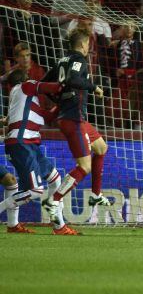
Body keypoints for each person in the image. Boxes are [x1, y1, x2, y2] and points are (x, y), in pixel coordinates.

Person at [42, 30, 112, 225]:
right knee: (84, 166)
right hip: (73, 118)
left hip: (76, 117)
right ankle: (53, 199)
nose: (89, 47)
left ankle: (96, 194)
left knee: (101, 148)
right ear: (83, 44)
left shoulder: (61, 61)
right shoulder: (79, 59)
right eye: (88, 44)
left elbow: (44, 84)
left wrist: (59, 98)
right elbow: (73, 79)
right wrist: (93, 86)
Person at [0, 69, 79, 235]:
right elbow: (53, 87)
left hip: (29, 144)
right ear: (26, 79)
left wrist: (63, 104)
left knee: (55, 179)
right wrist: (71, 83)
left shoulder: (23, 100)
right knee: (36, 191)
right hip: (22, 144)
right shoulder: (26, 86)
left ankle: (59, 226)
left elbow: (48, 117)